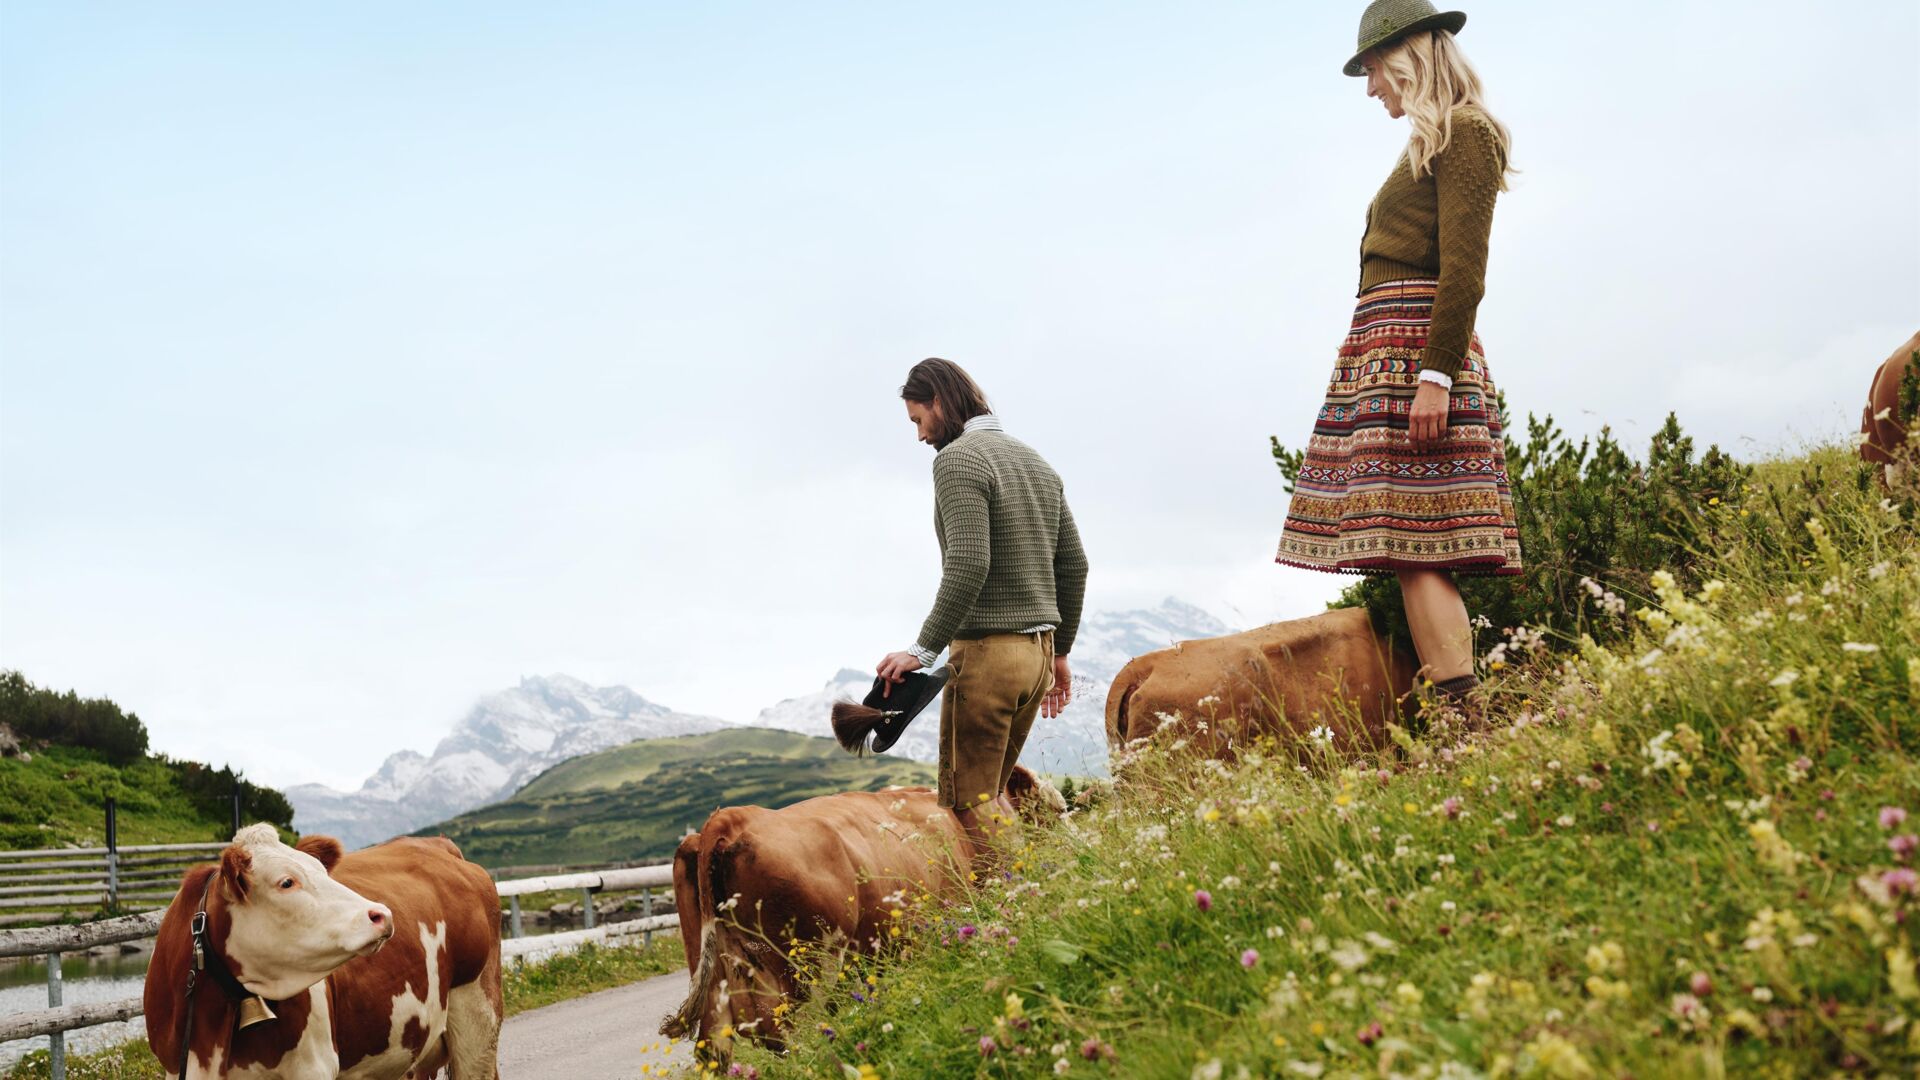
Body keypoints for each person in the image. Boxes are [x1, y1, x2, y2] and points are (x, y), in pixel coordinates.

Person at [1276, 0, 1522, 714]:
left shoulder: (1466, 132)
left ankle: (1465, 713)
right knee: (1410, 547)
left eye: (1373, 67)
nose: (1370, 85)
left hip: (1417, 350)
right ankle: (1458, 711)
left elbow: (1465, 270)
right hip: (1391, 349)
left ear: (1409, 55)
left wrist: (1435, 377)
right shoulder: (1431, 140)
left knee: (1424, 546)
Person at [877, 358, 1088, 860]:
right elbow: (1074, 565)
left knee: (970, 801)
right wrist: (1060, 654)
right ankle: (1022, 901)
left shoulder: (958, 461)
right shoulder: (1036, 462)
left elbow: (969, 562)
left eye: (918, 420)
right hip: (1036, 659)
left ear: (940, 402)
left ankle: (1019, 909)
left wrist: (921, 650)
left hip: (988, 658)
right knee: (992, 794)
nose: (920, 436)